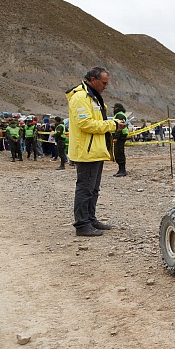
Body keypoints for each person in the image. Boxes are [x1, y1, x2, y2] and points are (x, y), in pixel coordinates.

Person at [67, 66, 127, 237]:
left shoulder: (94, 98)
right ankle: (82, 224)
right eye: (104, 83)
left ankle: (90, 219)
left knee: (93, 189)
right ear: (93, 80)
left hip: (95, 150)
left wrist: (112, 122)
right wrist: (113, 125)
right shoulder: (80, 97)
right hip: (86, 152)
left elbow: (96, 120)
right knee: (85, 188)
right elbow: (85, 124)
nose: (106, 87)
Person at [112, 103, 129, 177]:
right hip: (121, 136)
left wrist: (116, 137)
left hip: (120, 136)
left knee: (119, 152)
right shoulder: (121, 114)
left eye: (114, 108)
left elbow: (119, 127)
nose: (113, 109)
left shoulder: (119, 115)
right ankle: (120, 169)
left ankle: (122, 170)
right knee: (118, 152)